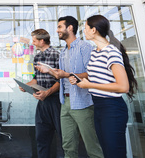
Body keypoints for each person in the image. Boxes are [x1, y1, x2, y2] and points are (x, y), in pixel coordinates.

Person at [37, 16, 103, 158]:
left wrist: (66, 74)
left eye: (60, 27)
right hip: (65, 103)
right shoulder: (63, 52)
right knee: (68, 145)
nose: (57, 30)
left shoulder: (84, 47)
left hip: (82, 102)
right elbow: (62, 76)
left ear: (70, 28)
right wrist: (49, 71)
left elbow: (92, 74)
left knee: (92, 146)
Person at [77, 14, 138, 158]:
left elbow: (123, 87)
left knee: (114, 153)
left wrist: (89, 85)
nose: (84, 32)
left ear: (93, 30)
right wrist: (75, 77)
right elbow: (96, 74)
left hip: (112, 109)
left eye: (85, 29)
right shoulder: (95, 52)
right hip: (98, 107)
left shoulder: (111, 51)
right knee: (106, 152)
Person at [19, 29, 62, 158]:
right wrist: (27, 85)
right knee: (41, 137)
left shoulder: (56, 55)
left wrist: (47, 92)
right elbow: (36, 79)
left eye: (34, 40)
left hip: (56, 101)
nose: (32, 43)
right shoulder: (37, 57)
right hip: (43, 102)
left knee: (64, 137)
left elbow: (62, 80)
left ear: (42, 41)